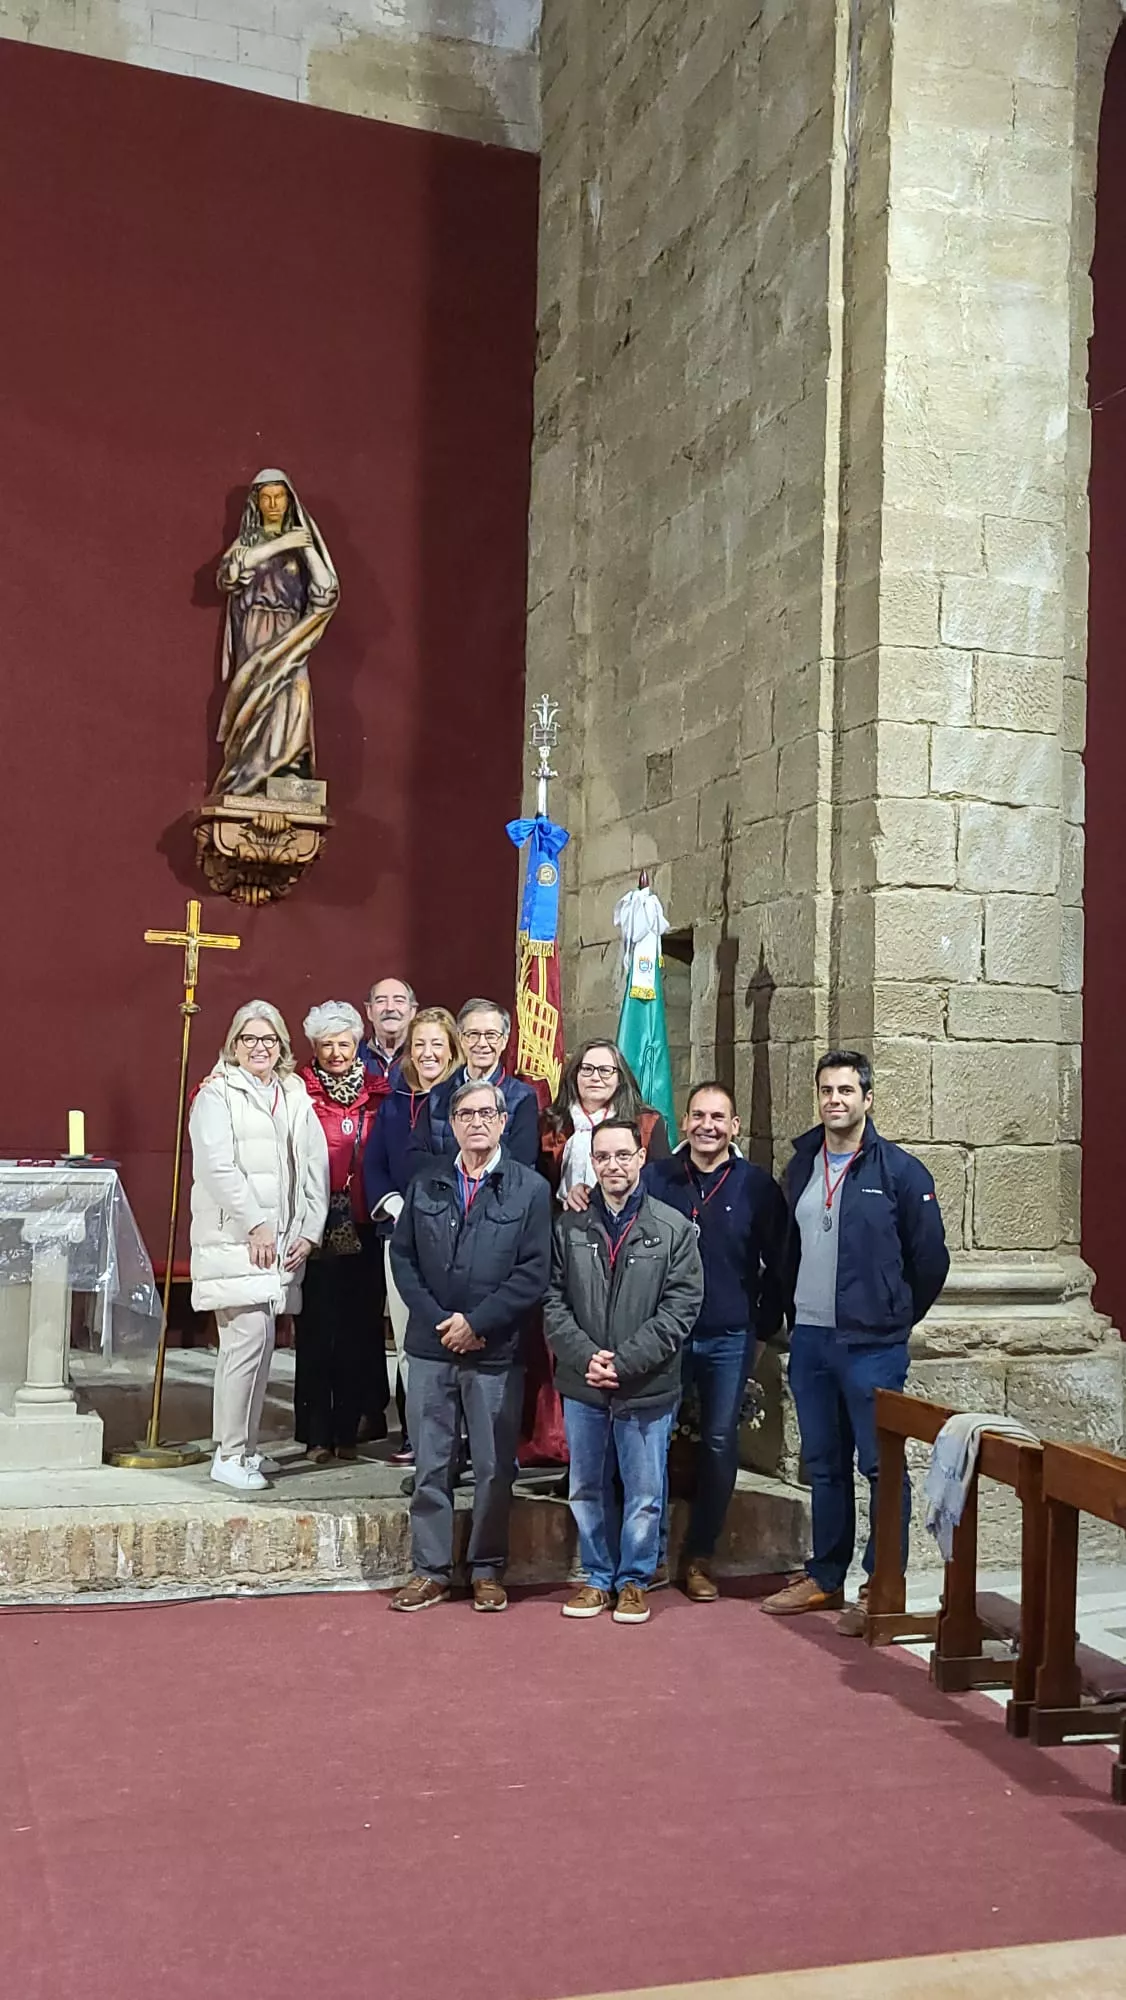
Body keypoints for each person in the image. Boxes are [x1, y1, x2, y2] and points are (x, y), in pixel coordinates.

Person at [760, 1051, 950, 1625]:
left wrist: (892, 1317)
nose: (835, 1100)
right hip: (812, 1342)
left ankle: (882, 1583)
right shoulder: (799, 1167)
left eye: (846, 1090)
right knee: (823, 1464)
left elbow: (930, 1261)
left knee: (880, 1466)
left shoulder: (901, 1172)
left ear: (868, 1099)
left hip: (873, 1346)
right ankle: (825, 1577)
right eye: (826, 1090)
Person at [387, 1080, 552, 1613]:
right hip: (433, 1346)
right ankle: (430, 1571)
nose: (477, 1121)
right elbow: (404, 1259)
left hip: (495, 1349)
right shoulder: (427, 1182)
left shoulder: (529, 1189)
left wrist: (478, 1322)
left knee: (492, 1467)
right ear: (452, 1122)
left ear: (504, 1122)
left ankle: (486, 1568)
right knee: (432, 1465)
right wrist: (441, 1322)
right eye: (466, 1113)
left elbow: (533, 1273)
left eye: (488, 1113)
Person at [545, 1119, 703, 1624]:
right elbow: (551, 1301)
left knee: (644, 1492)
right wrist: (585, 1354)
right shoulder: (569, 1227)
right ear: (593, 1163)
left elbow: (681, 1307)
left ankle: (634, 1580)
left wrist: (627, 1360)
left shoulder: (673, 1228)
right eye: (603, 1156)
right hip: (584, 1381)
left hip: (646, 1383)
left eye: (623, 1155)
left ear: (640, 1159)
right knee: (586, 1489)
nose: (613, 1165)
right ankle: (596, 1577)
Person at [643, 1082, 788, 1600]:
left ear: (734, 1127)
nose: (708, 1125)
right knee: (651, 1439)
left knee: (722, 1442)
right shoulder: (656, 1179)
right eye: (699, 1115)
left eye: (718, 1117)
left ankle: (700, 1556)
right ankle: (650, 1554)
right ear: (685, 1122)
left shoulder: (757, 1187)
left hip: (729, 1335)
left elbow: (781, 1265)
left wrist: (761, 1326)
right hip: (665, 1334)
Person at [188, 1001, 329, 1492]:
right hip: (238, 1239)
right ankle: (227, 1453)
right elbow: (216, 1167)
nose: (259, 1048)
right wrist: (255, 1224)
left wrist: (309, 1230)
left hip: (281, 1243)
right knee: (245, 1341)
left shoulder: (292, 1092)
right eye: (249, 1039)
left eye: (268, 1039)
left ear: (282, 1046)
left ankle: (245, 1447)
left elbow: (315, 1165)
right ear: (233, 1043)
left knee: (260, 1344)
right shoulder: (216, 1095)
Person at [362, 1007, 463, 1465]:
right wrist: (398, 1207)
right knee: (407, 1341)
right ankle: (417, 1436)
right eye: (418, 1044)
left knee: (451, 1335)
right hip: (401, 1233)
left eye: (436, 1044)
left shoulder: (466, 1100)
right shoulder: (394, 1104)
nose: (427, 1053)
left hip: (456, 1237)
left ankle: (458, 1438)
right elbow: (375, 1165)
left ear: (451, 1050)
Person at [297, 1001, 389, 1464]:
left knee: (358, 1330)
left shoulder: (379, 1091)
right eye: (327, 1044)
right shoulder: (298, 1090)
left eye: (345, 1043)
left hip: (365, 1222)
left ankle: (349, 1429)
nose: (337, 1052)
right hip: (316, 1223)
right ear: (314, 1047)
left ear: (359, 1045)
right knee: (317, 1329)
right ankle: (315, 1433)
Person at [213, 469, 339, 796]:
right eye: (266, 497)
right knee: (256, 699)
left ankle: (291, 771)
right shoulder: (249, 542)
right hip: (256, 632)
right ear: (257, 501)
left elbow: (326, 592)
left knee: (297, 692)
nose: (272, 503)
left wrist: (306, 544)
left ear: (289, 500)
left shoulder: (301, 546)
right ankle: (247, 778)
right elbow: (228, 575)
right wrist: (281, 543)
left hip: (291, 633)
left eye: (279, 496)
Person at [539, 1039, 672, 1209]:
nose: (595, 1077)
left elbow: (661, 1185)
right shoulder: (550, 1122)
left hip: (630, 1220)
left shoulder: (646, 1123)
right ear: (574, 1075)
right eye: (587, 1069)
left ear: (620, 1078)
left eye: (605, 1070)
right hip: (560, 1221)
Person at [418, 998, 539, 1168]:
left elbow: (521, 1163)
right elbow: (416, 1156)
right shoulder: (437, 1095)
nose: (482, 1043)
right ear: (460, 1038)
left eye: (491, 1035)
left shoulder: (524, 1098)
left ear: (504, 1040)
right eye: (473, 1034)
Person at [359, 977, 417, 1084]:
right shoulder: (354, 1056)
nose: (390, 1008)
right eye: (381, 1001)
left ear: (412, 1011)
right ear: (369, 1011)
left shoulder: (422, 1056)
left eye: (399, 1001)